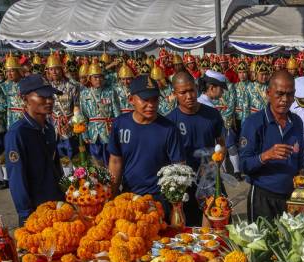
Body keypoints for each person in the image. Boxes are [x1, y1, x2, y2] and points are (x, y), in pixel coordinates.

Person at [108, 75, 185, 210]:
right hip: (129, 198)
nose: (151, 105)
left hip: (159, 201)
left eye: (155, 99)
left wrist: (177, 206)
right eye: (145, 99)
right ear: (131, 99)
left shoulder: (169, 129)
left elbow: (178, 167)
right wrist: (112, 195)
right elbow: (115, 161)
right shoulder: (119, 124)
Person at [238, 70, 304, 221]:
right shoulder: (253, 122)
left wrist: (302, 175)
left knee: (290, 243)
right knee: (261, 243)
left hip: (290, 197)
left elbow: (300, 157)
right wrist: (266, 155)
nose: (285, 99)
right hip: (263, 197)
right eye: (279, 94)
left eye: (289, 94)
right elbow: (243, 165)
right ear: (268, 93)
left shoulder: (297, 122)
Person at [4, 75, 65, 225]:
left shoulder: (49, 128)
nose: (49, 101)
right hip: (35, 210)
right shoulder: (18, 133)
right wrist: (25, 214)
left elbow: (55, 165)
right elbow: (17, 178)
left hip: (56, 204)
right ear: (25, 99)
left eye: (50, 96)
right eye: (42, 96)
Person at [165, 72, 224, 225]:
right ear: (174, 94)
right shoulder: (170, 121)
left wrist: (216, 160)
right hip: (185, 184)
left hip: (211, 179)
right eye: (182, 92)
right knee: (191, 229)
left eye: (191, 90)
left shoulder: (212, 114)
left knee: (217, 224)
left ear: (197, 88)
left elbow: (221, 144)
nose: (189, 96)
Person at [79, 61, 120, 166]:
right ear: (90, 79)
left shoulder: (110, 92)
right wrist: (84, 133)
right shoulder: (84, 94)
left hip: (108, 130)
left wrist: (118, 130)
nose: (98, 80)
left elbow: (117, 113)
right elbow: (83, 115)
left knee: (110, 158)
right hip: (93, 132)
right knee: (96, 161)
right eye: (95, 77)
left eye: (101, 77)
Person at [46, 51, 81, 160]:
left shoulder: (72, 87)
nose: (54, 72)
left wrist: (70, 124)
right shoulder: (47, 88)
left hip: (69, 125)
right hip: (53, 126)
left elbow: (77, 108)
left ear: (62, 69)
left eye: (56, 69)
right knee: (55, 155)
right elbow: (46, 110)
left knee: (72, 154)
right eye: (51, 69)